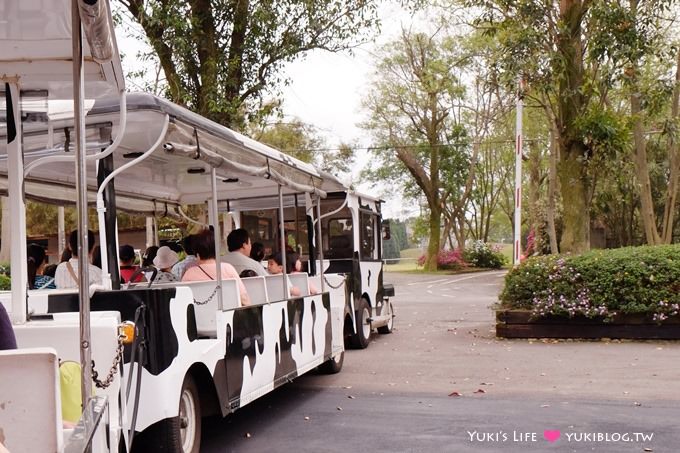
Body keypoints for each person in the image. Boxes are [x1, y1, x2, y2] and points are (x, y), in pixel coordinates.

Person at [182, 229, 250, 306]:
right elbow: (244, 299)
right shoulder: (228, 269)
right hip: (227, 316)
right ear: (216, 250)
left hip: (199, 317)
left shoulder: (189, 274)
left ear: (197, 253)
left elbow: (182, 301)